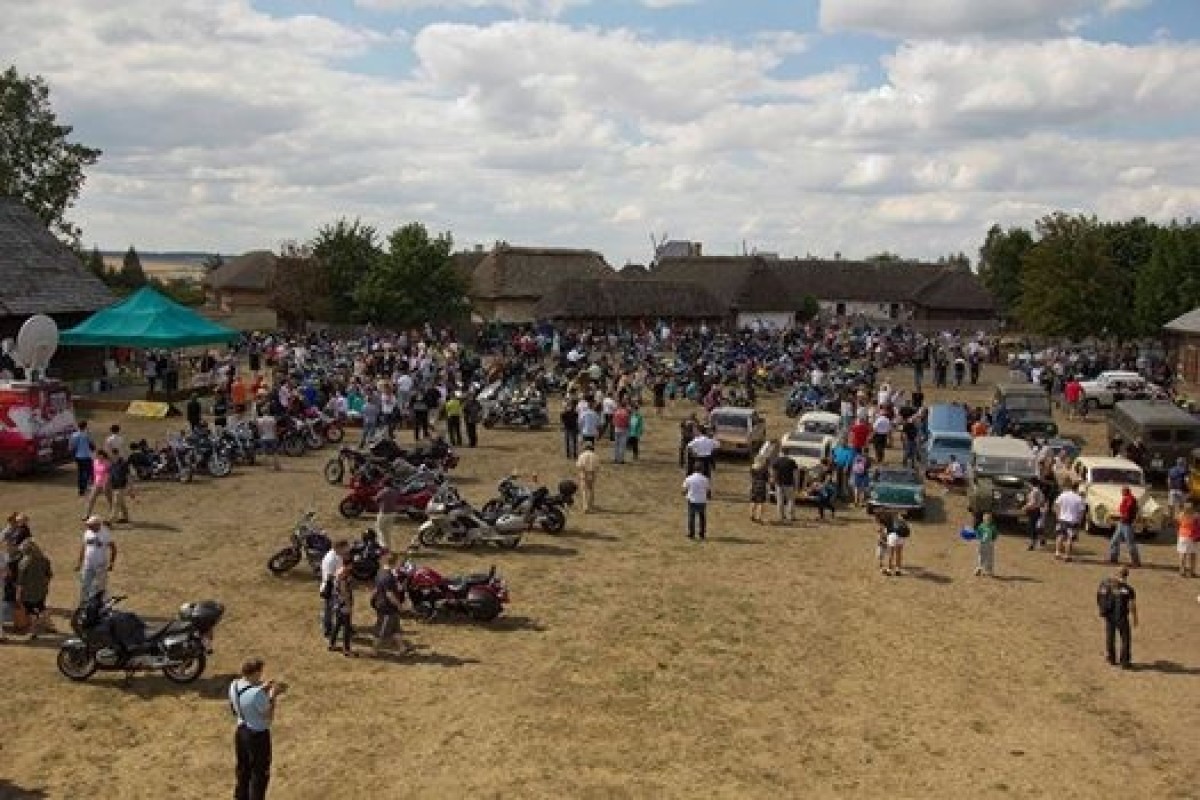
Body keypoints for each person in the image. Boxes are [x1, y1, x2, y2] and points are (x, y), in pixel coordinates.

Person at [229, 656, 279, 800]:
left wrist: (262, 688)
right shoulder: (257, 694)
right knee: (259, 774)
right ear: (255, 673)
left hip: (241, 731)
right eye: (260, 672)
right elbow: (268, 717)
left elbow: (238, 705)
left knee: (243, 769)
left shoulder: (234, 685)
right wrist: (272, 696)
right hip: (257, 736)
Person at [1097, 566, 1137, 668]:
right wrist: (1135, 618)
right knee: (1125, 638)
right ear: (1127, 575)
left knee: (1110, 636)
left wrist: (1102, 610)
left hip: (1109, 615)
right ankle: (1124, 661)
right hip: (1121, 616)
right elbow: (1132, 605)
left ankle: (1111, 658)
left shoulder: (1106, 584)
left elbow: (1099, 597)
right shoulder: (1129, 589)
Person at [371, 553, 411, 655]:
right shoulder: (388, 576)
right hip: (387, 608)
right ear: (395, 563)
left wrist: (373, 600)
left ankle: (402, 648)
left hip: (384, 605)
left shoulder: (380, 572)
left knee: (395, 628)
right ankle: (373, 651)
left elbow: (375, 590)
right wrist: (399, 606)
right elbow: (390, 595)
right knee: (381, 630)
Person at [15, 533, 52, 639]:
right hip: (42, 590)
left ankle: (33, 631)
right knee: (41, 606)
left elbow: (20, 581)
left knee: (31, 611)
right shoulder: (44, 559)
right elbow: (49, 575)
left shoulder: (23, 563)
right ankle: (47, 623)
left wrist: (18, 595)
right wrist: (45, 585)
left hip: (28, 592)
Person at [75, 516, 116, 605]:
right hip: (88, 564)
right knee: (85, 585)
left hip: (100, 565)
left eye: (91, 526)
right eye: (88, 526)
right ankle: (83, 604)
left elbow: (113, 548)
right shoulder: (87, 532)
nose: (89, 528)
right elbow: (83, 548)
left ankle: (101, 605)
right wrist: (79, 563)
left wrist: (111, 563)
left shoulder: (106, 533)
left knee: (100, 587)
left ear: (98, 525)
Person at [319, 540, 348, 638]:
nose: (346, 550)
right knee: (329, 609)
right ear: (339, 547)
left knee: (330, 609)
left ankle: (332, 626)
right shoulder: (331, 559)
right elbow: (330, 576)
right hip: (330, 587)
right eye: (345, 548)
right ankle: (327, 629)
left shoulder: (337, 555)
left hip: (334, 586)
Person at [1107, 486, 1142, 567]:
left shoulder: (1130, 499)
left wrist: (1119, 517)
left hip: (1127, 524)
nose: (1121, 493)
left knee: (1130, 544)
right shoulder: (1128, 498)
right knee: (1114, 541)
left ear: (1126, 491)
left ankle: (1136, 562)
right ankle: (1113, 558)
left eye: (1122, 491)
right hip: (1122, 523)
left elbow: (1127, 512)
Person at [328, 560, 357, 657]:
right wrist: (348, 605)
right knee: (346, 628)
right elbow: (344, 592)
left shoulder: (338, 571)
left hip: (337, 604)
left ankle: (331, 644)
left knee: (337, 625)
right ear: (349, 565)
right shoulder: (343, 575)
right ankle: (347, 650)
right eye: (352, 565)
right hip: (343, 605)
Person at [1054, 481, 1086, 562]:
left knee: (1060, 536)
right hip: (1072, 521)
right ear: (1077, 488)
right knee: (1069, 538)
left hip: (1062, 519)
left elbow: (1056, 505)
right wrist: (1080, 521)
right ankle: (1067, 555)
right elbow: (1081, 512)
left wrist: (1058, 516)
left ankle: (1057, 552)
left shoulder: (1063, 495)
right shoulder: (1079, 498)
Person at [83, 449, 114, 521]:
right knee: (91, 499)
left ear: (102, 455)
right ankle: (87, 515)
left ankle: (113, 514)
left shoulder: (108, 463)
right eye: (96, 456)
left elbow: (110, 474)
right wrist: (92, 481)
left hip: (106, 484)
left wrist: (107, 483)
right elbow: (94, 472)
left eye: (97, 455)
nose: (96, 457)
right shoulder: (95, 462)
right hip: (97, 483)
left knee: (110, 500)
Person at [682, 465, 711, 541]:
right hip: (701, 500)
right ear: (701, 470)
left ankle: (691, 533)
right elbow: (708, 490)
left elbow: (684, 490)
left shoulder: (689, 478)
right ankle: (702, 534)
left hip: (692, 500)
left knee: (691, 517)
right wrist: (707, 497)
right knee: (702, 517)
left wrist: (685, 494)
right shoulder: (705, 479)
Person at [770, 451, 799, 524]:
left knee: (780, 500)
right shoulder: (792, 462)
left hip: (779, 484)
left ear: (780, 453)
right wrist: (796, 484)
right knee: (790, 500)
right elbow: (795, 474)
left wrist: (773, 481)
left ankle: (781, 516)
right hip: (789, 484)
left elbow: (773, 472)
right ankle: (791, 516)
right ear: (787, 454)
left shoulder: (776, 461)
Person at [69, 420, 95, 497]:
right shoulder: (87, 434)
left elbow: (72, 446)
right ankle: (86, 486)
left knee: (80, 473)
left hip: (78, 456)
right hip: (87, 456)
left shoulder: (74, 435)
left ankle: (81, 490)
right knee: (88, 472)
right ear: (85, 426)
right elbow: (92, 444)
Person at [109, 452, 135, 524]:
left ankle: (111, 520)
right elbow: (111, 476)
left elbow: (129, 476)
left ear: (118, 455)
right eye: (112, 456)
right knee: (122, 503)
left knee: (116, 503)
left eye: (114, 456)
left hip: (122, 487)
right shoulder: (112, 465)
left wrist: (130, 488)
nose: (113, 457)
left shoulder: (124, 464)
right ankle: (126, 517)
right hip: (115, 487)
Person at [1022, 479, 1048, 551]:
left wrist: (1025, 507)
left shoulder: (1034, 492)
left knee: (1032, 527)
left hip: (1034, 510)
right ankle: (1042, 540)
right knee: (1037, 527)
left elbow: (1033, 502)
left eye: (1028, 483)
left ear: (1031, 483)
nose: (1027, 485)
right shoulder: (1039, 491)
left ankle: (1032, 544)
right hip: (1040, 510)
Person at [576, 442, 600, 513]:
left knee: (584, 491)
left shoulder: (582, 455)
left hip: (584, 473)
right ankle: (591, 505)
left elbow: (579, 465)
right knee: (591, 490)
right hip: (592, 473)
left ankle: (585, 506)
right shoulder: (595, 456)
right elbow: (597, 466)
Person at [1177, 503, 1198, 578]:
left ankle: (1182, 571)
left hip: (1183, 536)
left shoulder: (1181, 515)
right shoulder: (1196, 516)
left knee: (1183, 554)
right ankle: (1192, 571)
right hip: (1192, 536)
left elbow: (1178, 522)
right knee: (1193, 554)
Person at [974, 511, 998, 577]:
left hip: (990, 544)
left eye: (989, 519)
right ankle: (979, 568)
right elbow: (978, 534)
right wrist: (979, 538)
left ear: (991, 519)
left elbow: (995, 534)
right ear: (983, 519)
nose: (988, 520)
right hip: (982, 544)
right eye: (986, 519)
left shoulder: (993, 527)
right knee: (981, 556)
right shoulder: (981, 526)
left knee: (990, 557)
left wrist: (993, 540)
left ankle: (989, 571)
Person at [749, 456, 769, 524]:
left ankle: (751, 515)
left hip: (754, 485)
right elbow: (767, 480)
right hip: (761, 485)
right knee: (761, 502)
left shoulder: (753, 467)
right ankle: (759, 517)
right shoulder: (764, 469)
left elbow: (751, 477)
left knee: (753, 501)